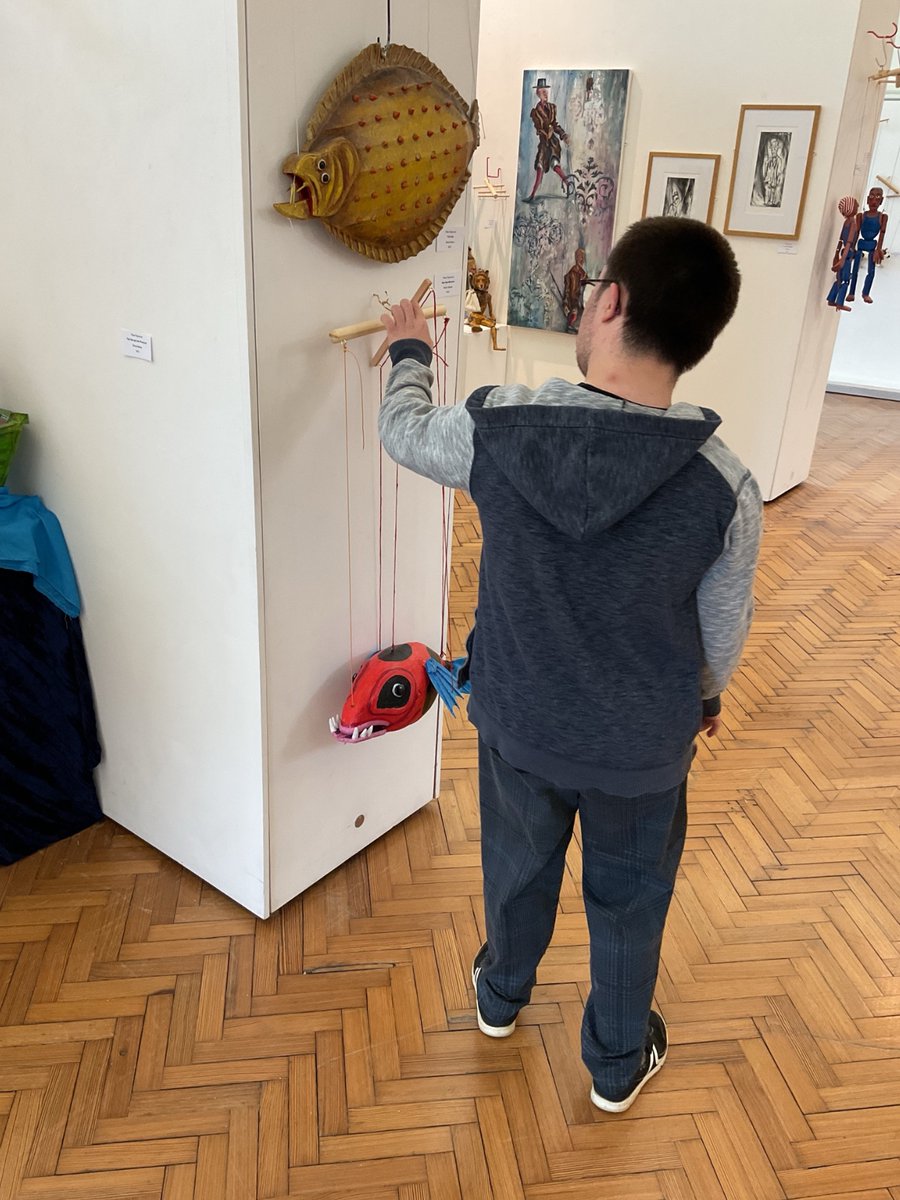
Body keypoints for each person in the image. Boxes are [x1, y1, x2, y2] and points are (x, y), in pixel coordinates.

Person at [378, 217, 762, 1114]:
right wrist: (704, 699)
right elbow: (722, 632)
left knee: (516, 866)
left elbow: (403, 432)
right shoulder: (724, 485)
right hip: (639, 749)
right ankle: (617, 1063)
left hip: (517, 719)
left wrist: (408, 350)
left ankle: (501, 997)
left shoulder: (500, 431)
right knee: (629, 903)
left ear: (611, 303)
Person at [526, 79, 570, 201]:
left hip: (553, 143)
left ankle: (569, 185)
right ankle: (533, 195)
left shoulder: (552, 107)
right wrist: (547, 133)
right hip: (544, 143)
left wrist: (564, 135)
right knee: (540, 166)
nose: (546, 94)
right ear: (538, 94)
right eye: (543, 92)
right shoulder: (535, 112)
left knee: (555, 165)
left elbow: (555, 124)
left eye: (546, 92)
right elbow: (538, 129)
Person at [562, 248, 589, 330]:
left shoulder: (584, 274)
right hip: (574, 303)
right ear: (576, 257)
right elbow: (567, 290)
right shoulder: (571, 273)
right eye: (580, 256)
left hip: (582, 304)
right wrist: (565, 303)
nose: (582, 259)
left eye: (583, 257)